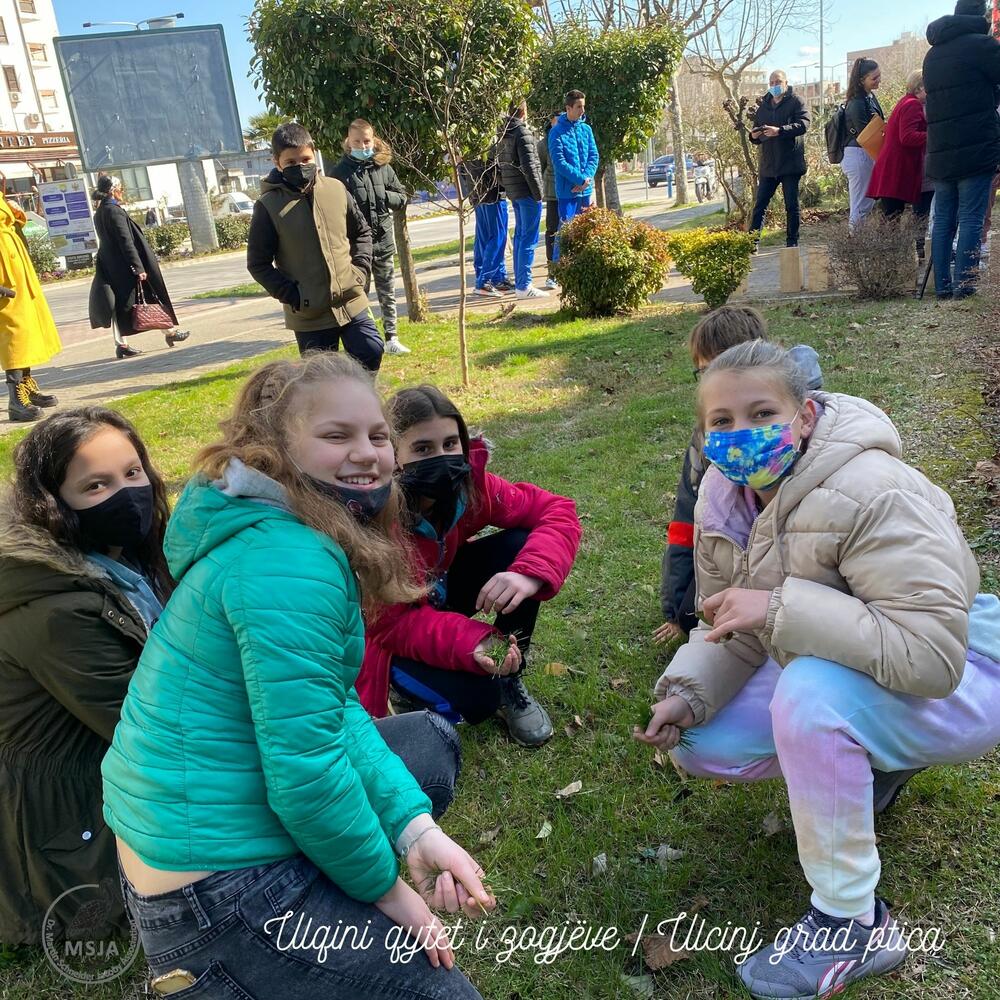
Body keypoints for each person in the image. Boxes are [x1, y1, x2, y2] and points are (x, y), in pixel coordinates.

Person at [102, 354, 494, 998]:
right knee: (439, 992)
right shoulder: (291, 561)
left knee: (425, 745)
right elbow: (307, 773)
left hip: (185, 839)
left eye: (376, 436)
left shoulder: (272, 527)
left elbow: (333, 710)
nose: (366, 454)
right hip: (212, 889)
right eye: (335, 436)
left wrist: (415, 831)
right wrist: (389, 893)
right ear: (276, 450)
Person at [635, 340, 1000, 998]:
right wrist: (689, 692)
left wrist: (777, 607)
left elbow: (932, 655)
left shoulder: (872, 489)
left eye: (762, 412)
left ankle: (852, 923)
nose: (740, 435)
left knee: (809, 694)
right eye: (721, 422)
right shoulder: (725, 493)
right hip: (854, 663)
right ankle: (874, 757)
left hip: (967, 677)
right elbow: (737, 623)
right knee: (702, 736)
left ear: (804, 416)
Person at [0, 407, 173, 944]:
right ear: (54, 506)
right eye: (96, 485)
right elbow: (161, 735)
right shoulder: (56, 611)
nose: (126, 495)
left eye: (132, 473)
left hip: (115, 784)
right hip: (69, 846)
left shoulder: (121, 562)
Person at [358, 385, 582, 747]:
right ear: (393, 454)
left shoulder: (470, 488)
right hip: (391, 631)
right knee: (477, 699)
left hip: (438, 591)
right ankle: (404, 688)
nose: (442, 458)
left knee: (520, 545)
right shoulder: (375, 518)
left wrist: (527, 573)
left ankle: (510, 675)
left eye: (450, 444)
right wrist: (476, 642)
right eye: (422, 448)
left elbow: (556, 510)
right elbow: (391, 625)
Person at [655, 307, 822, 643]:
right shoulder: (708, 448)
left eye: (761, 413)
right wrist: (677, 610)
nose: (739, 430)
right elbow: (688, 518)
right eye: (705, 372)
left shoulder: (817, 454)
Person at [247, 123, 383, 371]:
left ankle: (360, 408)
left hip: (351, 301)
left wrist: (361, 270)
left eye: (305, 158)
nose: (300, 166)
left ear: (314, 154)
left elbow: (361, 232)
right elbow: (257, 263)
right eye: (290, 162)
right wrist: (292, 295)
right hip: (310, 316)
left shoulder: (336, 189)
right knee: (322, 382)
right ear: (277, 162)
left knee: (371, 350)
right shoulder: (268, 206)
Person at [924, 0, 1000, 299]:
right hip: (975, 145)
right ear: (980, 15)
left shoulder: (932, 54)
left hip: (940, 148)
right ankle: (965, 285)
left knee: (944, 218)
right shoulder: (982, 46)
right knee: (971, 215)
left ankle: (943, 287)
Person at [329, 119, 412, 355]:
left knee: (388, 292)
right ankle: (364, 339)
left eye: (366, 141)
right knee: (358, 295)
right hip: (357, 248)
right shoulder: (340, 173)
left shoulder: (383, 167)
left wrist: (383, 195)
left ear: (373, 140)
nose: (363, 145)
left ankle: (392, 337)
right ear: (348, 141)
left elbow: (401, 197)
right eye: (357, 141)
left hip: (383, 241)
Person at [89, 175, 189, 360]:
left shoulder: (100, 212)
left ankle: (161, 334)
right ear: (113, 190)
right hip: (124, 266)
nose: (122, 192)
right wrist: (138, 266)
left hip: (110, 264)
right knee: (143, 299)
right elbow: (126, 241)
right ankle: (166, 333)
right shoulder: (114, 212)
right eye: (120, 188)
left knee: (128, 303)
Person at [0, 190, 60, 422]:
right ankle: (16, 399)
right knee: (14, 334)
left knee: (27, 331)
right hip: (5, 278)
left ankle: (25, 386)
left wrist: (15, 214)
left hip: (15, 269)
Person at [748, 70, 810, 251]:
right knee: (760, 205)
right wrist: (753, 136)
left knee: (791, 205)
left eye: (778, 82)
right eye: (772, 82)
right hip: (768, 165)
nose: (775, 85)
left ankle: (792, 241)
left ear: (786, 82)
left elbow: (803, 124)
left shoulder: (796, 102)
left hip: (790, 164)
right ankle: (752, 242)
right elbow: (756, 135)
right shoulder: (763, 106)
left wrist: (780, 130)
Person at [497, 99, 548, 299]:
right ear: (524, 111)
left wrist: (508, 186)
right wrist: (539, 193)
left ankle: (520, 283)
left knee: (520, 237)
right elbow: (530, 166)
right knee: (528, 238)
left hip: (514, 191)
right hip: (527, 192)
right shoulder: (522, 133)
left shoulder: (502, 134)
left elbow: (499, 165)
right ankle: (524, 285)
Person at [868, 71, 932, 222]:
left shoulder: (905, 101)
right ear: (919, 88)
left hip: (892, 169)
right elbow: (907, 137)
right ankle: (890, 246)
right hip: (897, 170)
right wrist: (934, 135)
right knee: (892, 218)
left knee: (891, 217)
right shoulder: (913, 104)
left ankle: (889, 245)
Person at [548, 89, 599, 260]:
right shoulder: (556, 132)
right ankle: (556, 270)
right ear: (568, 108)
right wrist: (579, 179)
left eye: (583, 106)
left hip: (585, 191)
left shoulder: (586, 130)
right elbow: (559, 162)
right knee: (565, 233)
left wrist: (586, 179)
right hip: (567, 192)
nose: (582, 110)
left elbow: (594, 155)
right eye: (578, 107)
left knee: (586, 231)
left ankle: (583, 266)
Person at [458, 151, 512, 298]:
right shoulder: (488, 142)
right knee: (498, 237)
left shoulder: (470, 144)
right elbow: (496, 168)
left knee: (485, 237)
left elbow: (462, 169)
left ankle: (495, 277)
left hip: (478, 193)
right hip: (491, 193)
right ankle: (485, 280)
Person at [840, 58, 884, 230]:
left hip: (864, 153)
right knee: (860, 204)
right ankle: (854, 243)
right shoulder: (857, 102)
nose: (878, 80)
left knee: (864, 203)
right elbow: (865, 134)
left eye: (879, 76)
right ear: (861, 80)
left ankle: (857, 242)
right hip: (858, 154)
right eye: (874, 78)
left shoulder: (869, 97)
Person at [536, 111, 561, 290]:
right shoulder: (544, 145)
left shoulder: (568, 138)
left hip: (570, 193)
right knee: (552, 231)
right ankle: (552, 272)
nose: (558, 124)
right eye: (555, 122)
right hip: (553, 195)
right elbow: (540, 168)